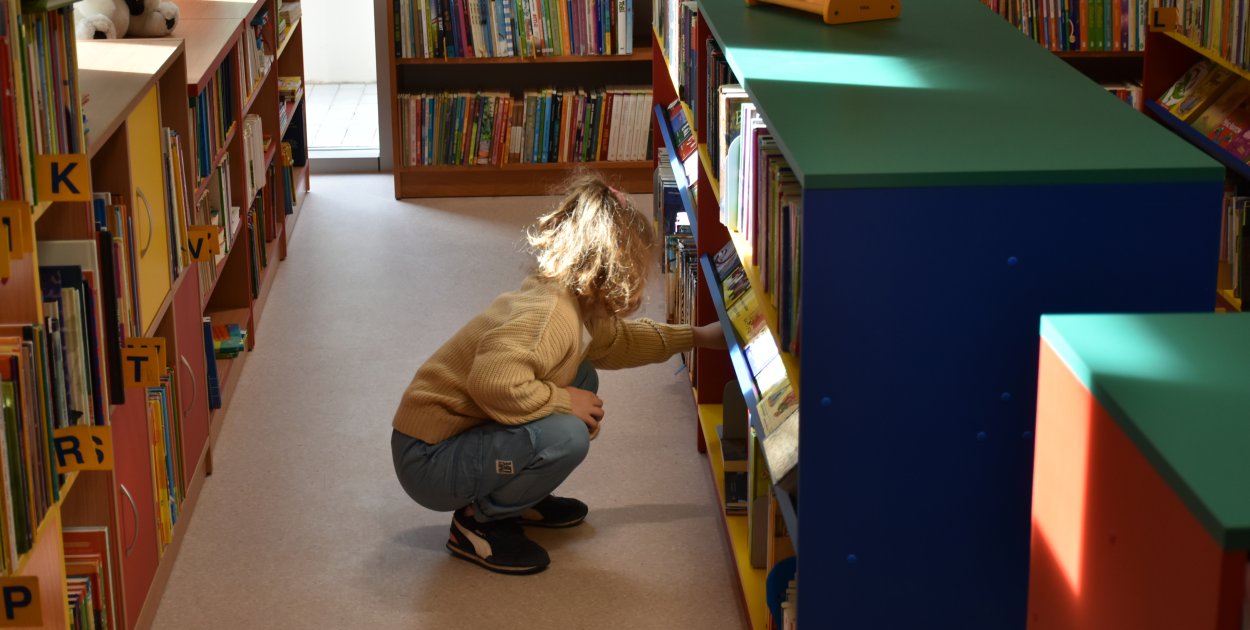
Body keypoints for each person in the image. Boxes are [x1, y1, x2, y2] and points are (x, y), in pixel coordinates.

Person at [390, 172, 726, 575]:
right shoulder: (550, 318)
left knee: (583, 378)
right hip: (427, 458)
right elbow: (492, 381)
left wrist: (697, 337)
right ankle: (477, 523)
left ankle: (518, 495)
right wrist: (564, 401)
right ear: (615, 269)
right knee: (566, 433)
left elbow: (622, 341)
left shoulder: (577, 303)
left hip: (454, 435)